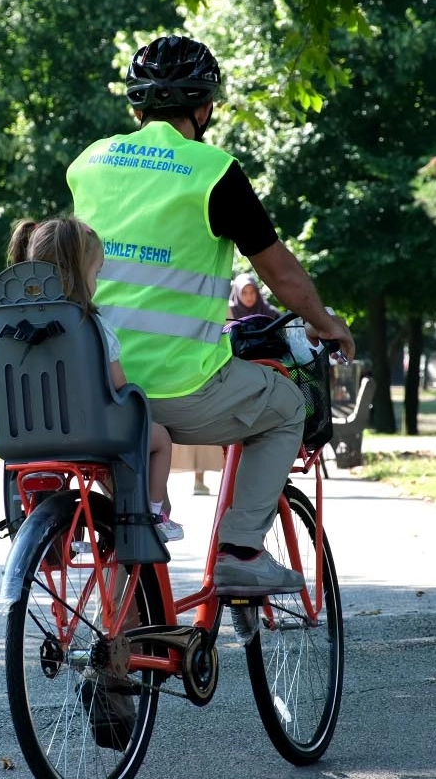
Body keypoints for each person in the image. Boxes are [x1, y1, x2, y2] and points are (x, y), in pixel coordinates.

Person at [67, 34, 355, 595]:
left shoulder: (89, 162)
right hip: (181, 386)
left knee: (131, 515)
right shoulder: (214, 172)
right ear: (205, 107)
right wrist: (325, 322)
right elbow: (280, 273)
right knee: (286, 405)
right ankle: (241, 550)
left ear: (136, 105)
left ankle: (125, 638)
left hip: (98, 385)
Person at [7, 216, 184, 543]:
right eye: (97, 273)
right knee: (159, 439)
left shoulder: (9, 326)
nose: (97, 281)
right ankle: (154, 514)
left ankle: (57, 535)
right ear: (79, 273)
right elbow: (120, 388)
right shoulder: (91, 326)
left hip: (24, 436)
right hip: (91, 435)